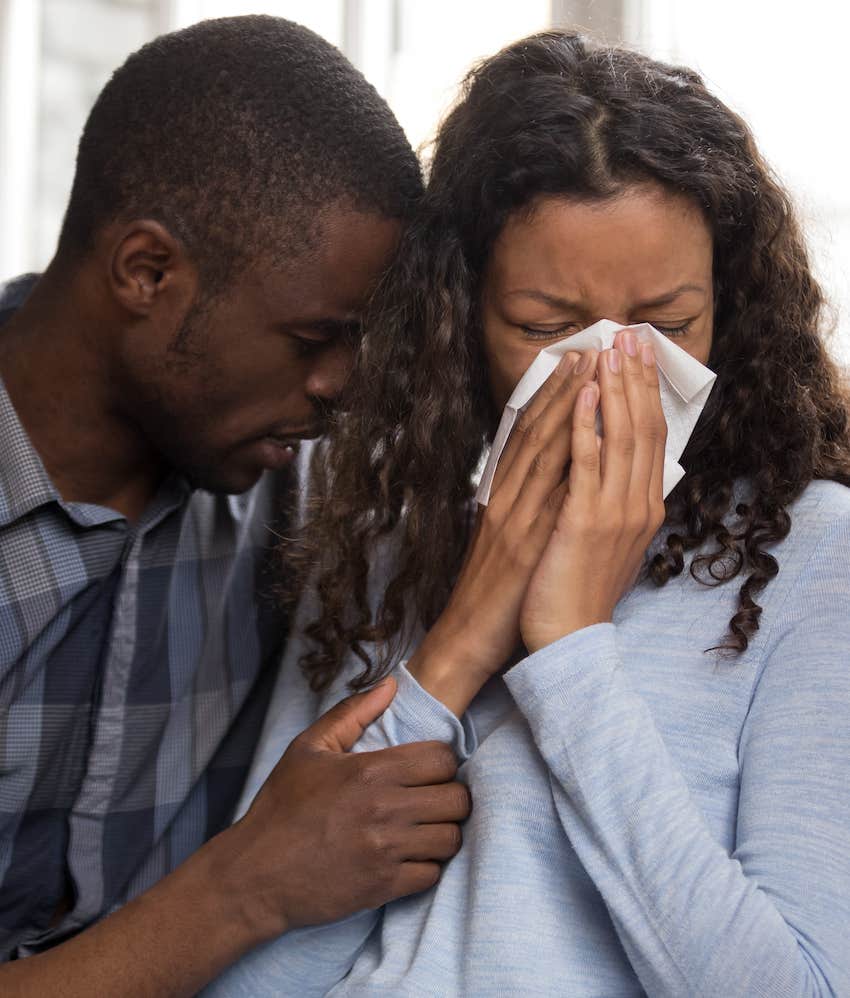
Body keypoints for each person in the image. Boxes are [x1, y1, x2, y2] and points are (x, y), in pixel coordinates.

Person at [206, 29, 850, 997]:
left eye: (668, 323)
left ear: (732, 306)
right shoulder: (388, 529)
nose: (609, 371)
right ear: (458, 316)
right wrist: (463, 635)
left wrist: (568, 647)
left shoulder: (811, 556)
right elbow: (254, 972)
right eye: (547, 327)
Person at [0, 15, 472, 996]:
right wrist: (249, 885)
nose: (342, 387)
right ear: (146, 271)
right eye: (312, 339)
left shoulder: (287, 493)